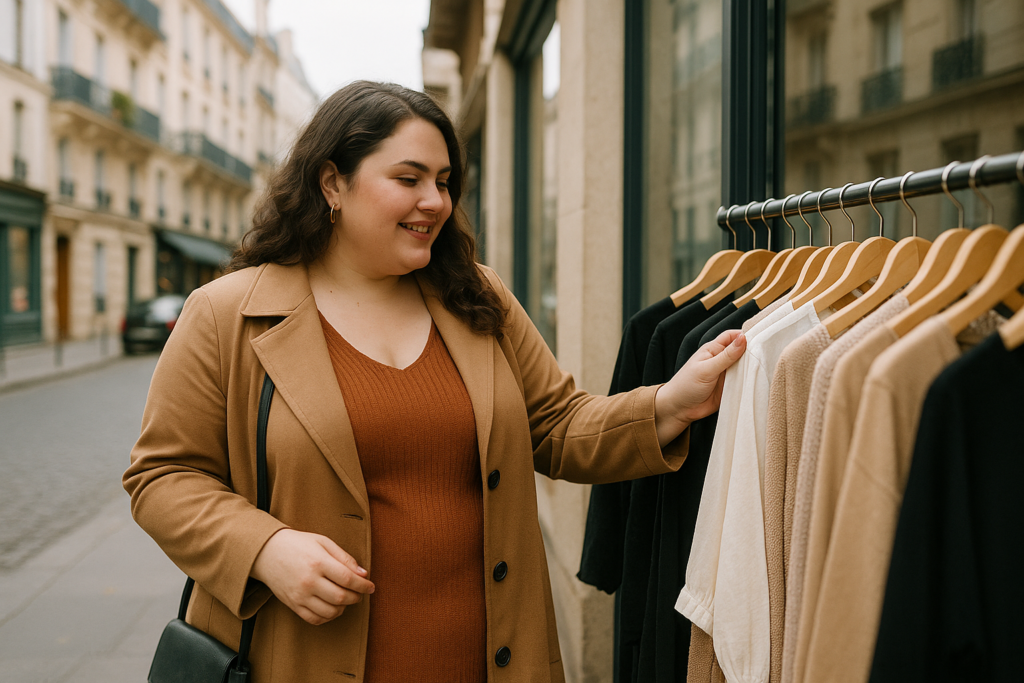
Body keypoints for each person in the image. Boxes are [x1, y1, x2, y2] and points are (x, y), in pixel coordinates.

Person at [124, 81, 746, 683]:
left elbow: (556, 425)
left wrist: (668, 404)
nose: (436, 201)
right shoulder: (226, 313)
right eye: (408, 178)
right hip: (299, 658)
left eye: (444, 182)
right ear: (332, 183)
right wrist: (264, 549)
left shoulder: (477, 297)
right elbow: (162, 477)